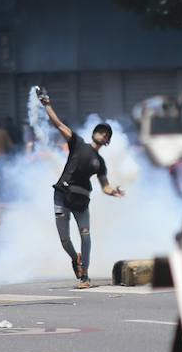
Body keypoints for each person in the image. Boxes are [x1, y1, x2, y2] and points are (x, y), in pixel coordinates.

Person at [38, 89, 124, 288]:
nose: (102, 134)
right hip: (61, 194)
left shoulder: (100, 162)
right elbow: (58, 124)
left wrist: (114, 192)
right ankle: (74, 258)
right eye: (101, 131)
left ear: (108, 141)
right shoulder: (77, 143)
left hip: (81, 200)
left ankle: (85, 274)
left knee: (85, 234)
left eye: (106, 134)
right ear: (94, 133)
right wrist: (46, 104)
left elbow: (105, 186)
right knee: (65, 239)